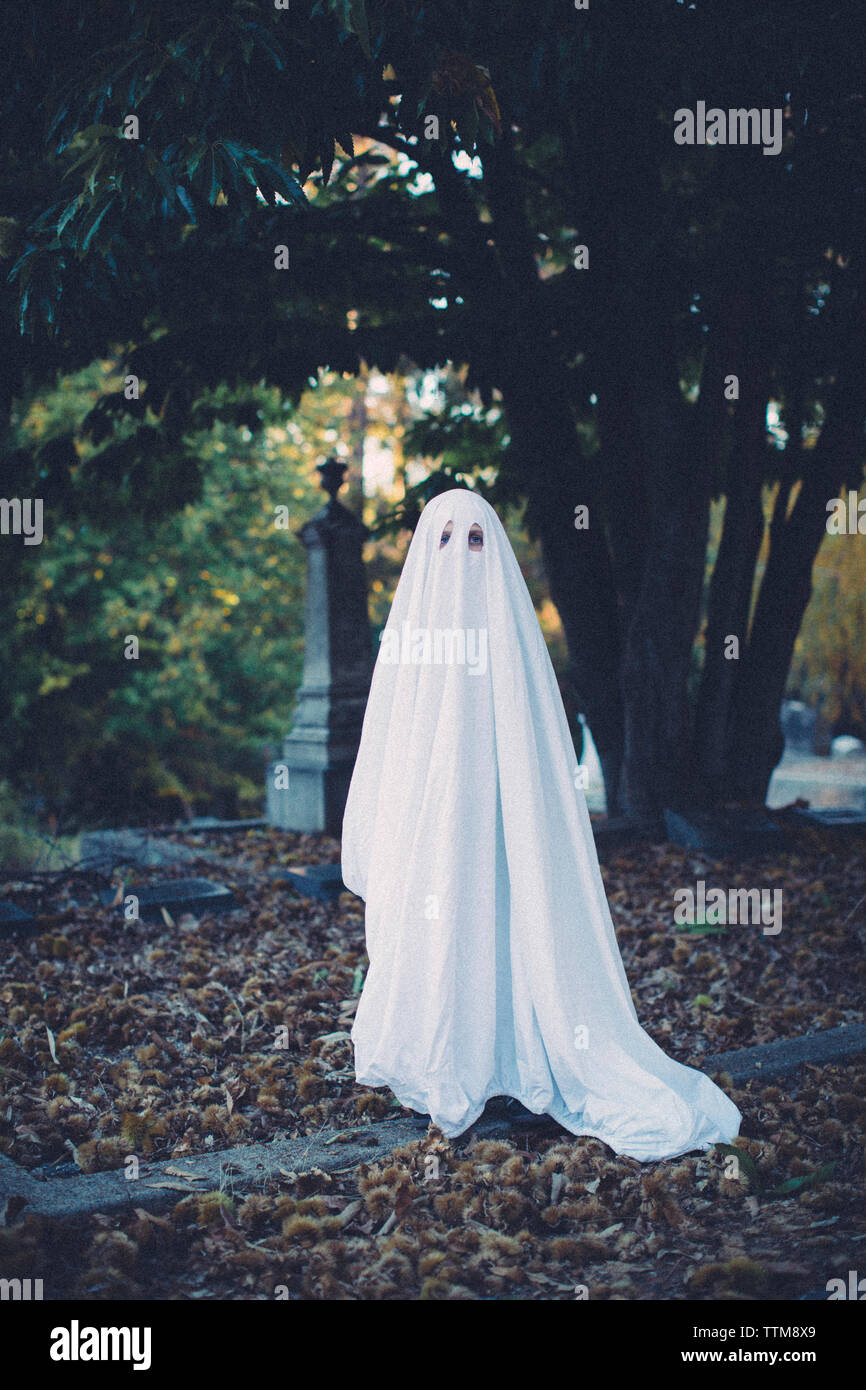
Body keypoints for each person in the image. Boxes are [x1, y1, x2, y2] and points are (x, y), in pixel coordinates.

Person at [341, 488, 741, 1162]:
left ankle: (515, 1046)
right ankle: (447, 1054)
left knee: (502, 914)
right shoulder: (411, 640)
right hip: (428, 828)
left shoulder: (510, 642)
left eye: (475, 542)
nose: (460, 557)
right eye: (444, 540)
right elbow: (387, 743)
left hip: (503, 828)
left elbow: (539, 764)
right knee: (440, 919)